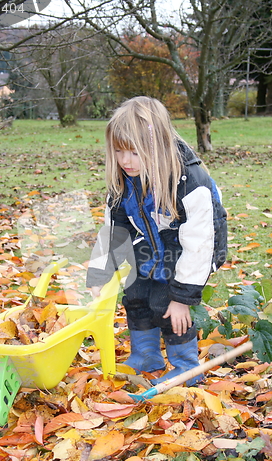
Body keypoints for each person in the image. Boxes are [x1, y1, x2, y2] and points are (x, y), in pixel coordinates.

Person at [86, 96, 227, 387]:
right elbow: (115, 230)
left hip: (188, 248)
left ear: (158, 146)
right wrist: (100, 273)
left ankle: (186, 367)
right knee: (136, 292)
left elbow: (200, 244)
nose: (126, 161)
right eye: (119, 151)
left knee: (166, 302)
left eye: (135, 152)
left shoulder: (189, 181)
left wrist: (182, 298)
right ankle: (147, 355)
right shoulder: (124, 180)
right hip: (149, 242)